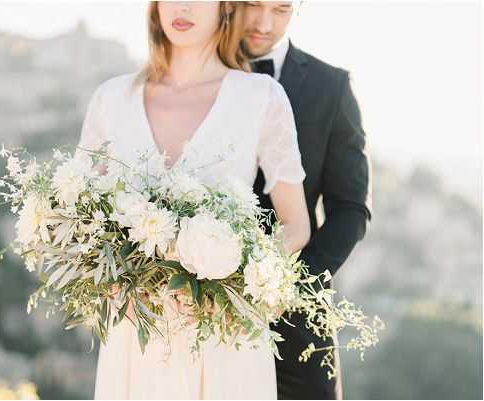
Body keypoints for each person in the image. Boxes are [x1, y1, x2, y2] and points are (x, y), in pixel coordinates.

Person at [78, 1, 310, 399]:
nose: (182, 6)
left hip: (223, 337)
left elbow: (296, 224)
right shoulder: (110, 98)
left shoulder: (261, 97)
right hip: (135, 336)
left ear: (225, 7)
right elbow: (80, 217)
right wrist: (114, 287)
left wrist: (235, 281)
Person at [243, 2, 373, 399]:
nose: (264, 23)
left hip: (296, 319)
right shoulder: (197, 79)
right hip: (195, 305)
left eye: (281, 9)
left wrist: (289, 287)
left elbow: (351, 208)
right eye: (252, 4)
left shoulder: (330, 86)